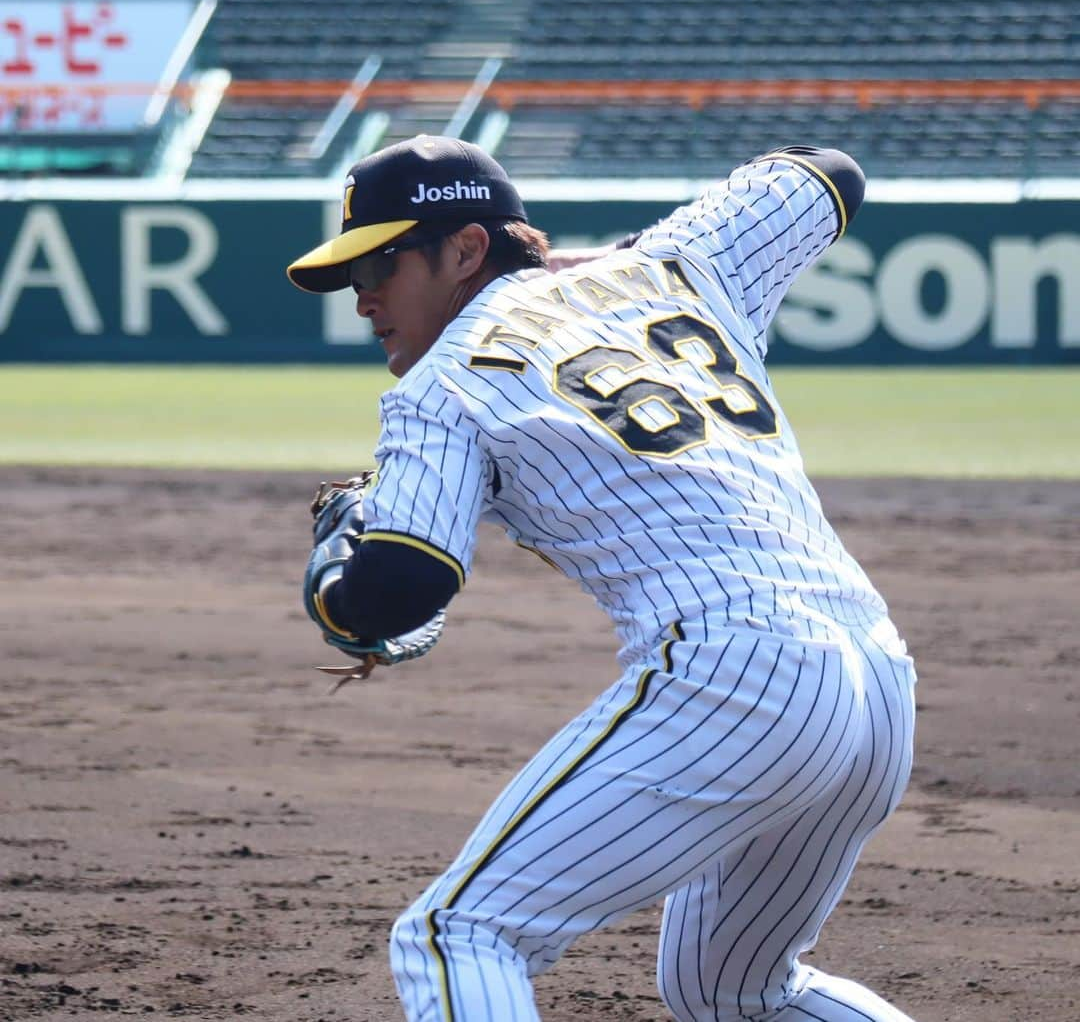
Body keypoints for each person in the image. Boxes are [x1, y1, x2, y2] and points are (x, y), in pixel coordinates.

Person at [286, 135, 917, 1022]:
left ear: (466, 248)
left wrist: (331, 585)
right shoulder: (677, 264)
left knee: (458, 933)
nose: (364, 299)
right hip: (878, 682)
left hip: (739, 675)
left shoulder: (442, 384)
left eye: (382, 262)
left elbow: (396, 591)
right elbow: (827, 172)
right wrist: (608, 263)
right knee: (733, 990)